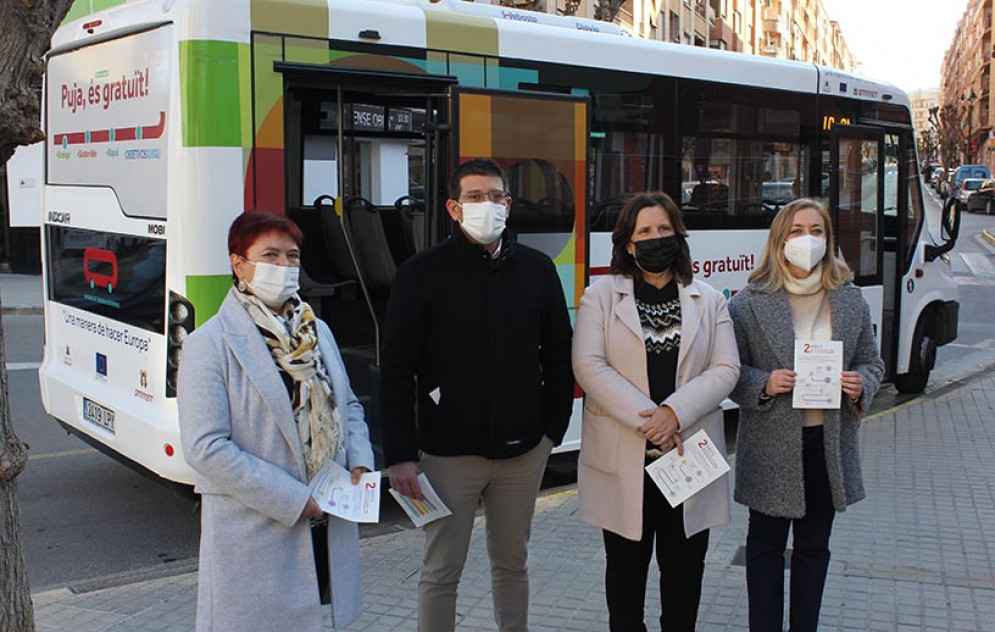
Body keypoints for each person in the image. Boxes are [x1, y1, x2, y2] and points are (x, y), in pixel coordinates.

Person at [381, 158, 575, 632]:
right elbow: (397, 369)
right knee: (441, 570)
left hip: (524, 451)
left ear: (509, 205)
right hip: (449, 453)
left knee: (512, 563)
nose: (487, 205)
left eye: (496, 197)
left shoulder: (537, 269)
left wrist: (551, 432)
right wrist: (401, 455)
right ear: (453, 207)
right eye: (474, 196)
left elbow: (558, 354)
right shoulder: (420, 273)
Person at [178, 211, 374, 632]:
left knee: (312, 618)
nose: (283, 267)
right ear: (239, 264)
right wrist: (290, 498)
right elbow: (205, 446)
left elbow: (349, 405)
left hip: (326, 515)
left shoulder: (316, 331)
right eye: (270, 255)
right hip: (257, 527)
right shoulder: (208, 344)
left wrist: (358, 460)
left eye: (292, 256)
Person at [573, 192, 740, 632]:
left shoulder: (708, 298)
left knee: (684, 582)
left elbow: (726, 368)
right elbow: (588, 366)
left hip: (688, 460)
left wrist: (675, 414)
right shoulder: (601, 297)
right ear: (628, 243)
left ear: (678, 236)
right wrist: (651, 419)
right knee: (625, 585)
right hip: (624, 457)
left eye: (664, 229)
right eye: (644, 231)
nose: (655, 238)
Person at [727, 198, 885, 632]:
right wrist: (762, 382)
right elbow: (727, 371)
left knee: (814, 548)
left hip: (826, 446)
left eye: (817, 230)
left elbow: (873, 362)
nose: (808, 240)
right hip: (772, 447)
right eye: (796, 231)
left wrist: (861, 383)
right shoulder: (747, 303)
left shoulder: (849, 300)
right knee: (764, 549)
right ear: (779, 240)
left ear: (829, 239)